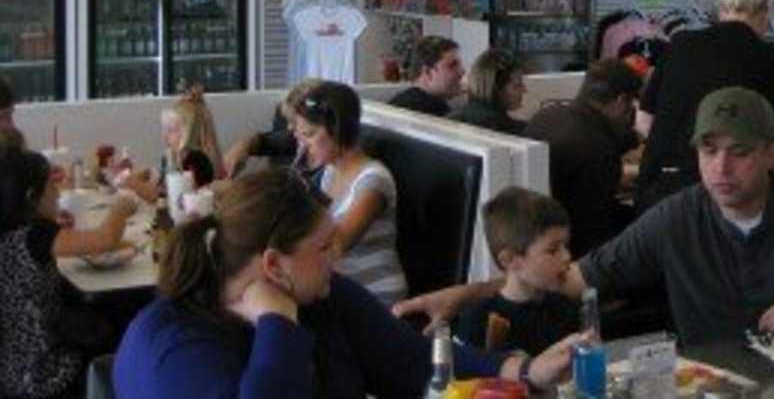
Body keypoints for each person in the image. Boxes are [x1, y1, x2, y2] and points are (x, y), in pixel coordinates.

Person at [397, 87, 774, 346]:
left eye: (740, 152)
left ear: (772, 153)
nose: (720, 167)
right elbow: (568, 278)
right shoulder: (676, 217)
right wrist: (466, 295)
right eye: (708, 150)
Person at [114, 169, 576, 399]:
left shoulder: (322, 297)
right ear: (274, 264)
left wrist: (526, 371)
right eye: (324, 248)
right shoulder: (170, 347)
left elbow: (411, 360)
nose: (336, 259)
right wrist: (276, 321)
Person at [635, 0, 774, 212]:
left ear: (722, 12)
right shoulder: (771, 59)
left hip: (655, 193)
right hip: (718, 201)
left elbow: (643, 121)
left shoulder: (680, 45)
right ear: (766, 15)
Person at [1, 144, 137, 399]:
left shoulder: (15, 232)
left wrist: (54, 224)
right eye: (51, 188)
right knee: (124, 316)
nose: (57, 194)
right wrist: (122, 206)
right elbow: (106, 238)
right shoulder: (37, 236)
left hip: (11, 368)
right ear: (33, 196)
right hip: (43, 370)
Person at [297, 82, 407, 304]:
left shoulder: (374, 180)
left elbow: (337, 244)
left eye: (309, 135)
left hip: (376, 298)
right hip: (341, 291)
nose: (302, 146)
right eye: (299, 137)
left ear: (338, 130)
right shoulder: (328, 172)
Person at [524, 59, 642, 258]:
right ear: (621, 101)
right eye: (631, 104)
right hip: (568, 253)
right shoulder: (599, 150)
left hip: (531, 236)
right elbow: (593, 234)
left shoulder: (546, 115)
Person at [455, 187, 578, 356]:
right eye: (553, 250)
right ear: (510, 260)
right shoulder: (477, 320)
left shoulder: (565, 310)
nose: (567, 256)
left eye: (566, 246)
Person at [223, 78, 322, 177]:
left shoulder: (325, 167)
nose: (289, 128)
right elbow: (263, 141)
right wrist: (242, 147)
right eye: (289, 121)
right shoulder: (293, 139)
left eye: (294, 122)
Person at [449, 49, 526, 135]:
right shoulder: (505, 130)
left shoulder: (451, 118)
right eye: (517, 85)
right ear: (495, 88)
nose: (524, 90)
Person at [388, 36, 464, 117]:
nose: (462, 71)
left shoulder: (400, 101)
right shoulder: (434, 110)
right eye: (452, 65)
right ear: (428, 73)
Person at [162, 87, 226, 180]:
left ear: (190, 133)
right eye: (164, 129)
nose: (164, 136)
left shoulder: (197, 163)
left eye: (171, 130)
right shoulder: (169, 157)